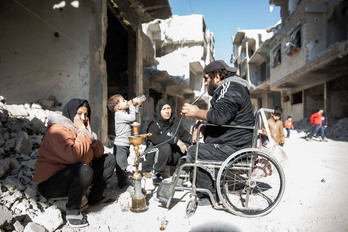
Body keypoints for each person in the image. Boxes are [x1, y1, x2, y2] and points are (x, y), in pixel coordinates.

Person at [33, 98, 116, 228]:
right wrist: (83, 132)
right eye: (79, 114)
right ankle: (72, 211)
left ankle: (95, 197)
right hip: (51, 184)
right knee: (83, 170)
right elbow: (75, 157)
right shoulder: (57, 130)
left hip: (74, 175)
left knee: (109, 159)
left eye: (86, 114)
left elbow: (98, 153)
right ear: (71, 112)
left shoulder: (79, 129)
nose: (83, 118)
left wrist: (90, 136)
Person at [181, 60, 255, 205]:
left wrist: (196, 112)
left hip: (235, 149)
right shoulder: (230, 87)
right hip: (233, 144)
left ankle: (209, 196)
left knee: (194, 152)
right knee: (196, 148)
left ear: (216, 77)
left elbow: (219, 116)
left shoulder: (230, 87)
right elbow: (224, 116)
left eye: (206, 79)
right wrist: (201, 124)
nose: (205, 84)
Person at [146, 99, 191, 185]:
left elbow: (183, 133)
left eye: (168, 108)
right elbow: (155, 138)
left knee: (187, 146)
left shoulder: (174, 122)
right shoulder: (154, 123)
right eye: (164, 109)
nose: (167, 111)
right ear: (159, 111)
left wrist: (191, 139)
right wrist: (175, 140)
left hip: (170, 156)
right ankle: (157, 173)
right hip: (156, 156)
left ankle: (181, 171)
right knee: (165, 146)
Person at [107, 94, 145, 189]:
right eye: (123, 100)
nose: (126, 101)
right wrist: (132, 104)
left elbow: (133, 115)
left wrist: (137, 106)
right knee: (121, 164)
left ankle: (123, 179)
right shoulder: (119, 115)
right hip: (120, 145)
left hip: (124, 143)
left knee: (123, 162)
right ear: (118, 107)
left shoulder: (122, 113)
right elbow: (132, 118)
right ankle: (122, 183)